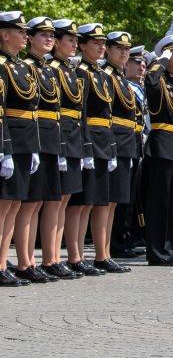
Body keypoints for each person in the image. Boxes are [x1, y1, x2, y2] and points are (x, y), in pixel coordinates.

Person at [15, 17, 65, 284]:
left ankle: (38, 260)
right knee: (28, 203)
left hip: (47, 138)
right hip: (32, 137)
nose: (48, 39)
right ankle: (25, 261)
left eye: (51, 35)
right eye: (42, 35)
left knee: (40, 202)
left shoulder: (45, 68)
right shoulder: (27, 66)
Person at [67, 23, 117, 277]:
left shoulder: (100, 74)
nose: (100, 47)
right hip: (87, 138)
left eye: (102, 43)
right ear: (84, 46)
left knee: (95, 201)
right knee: (80, 203)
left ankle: (97, 255)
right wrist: (86, 145)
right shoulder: (81, 72)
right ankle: (75, 256)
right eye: (94, 43)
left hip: (102, 139)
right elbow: (82, 112)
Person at [0, 11, 40, 286]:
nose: (26, 36)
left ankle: (3, 262)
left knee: (14, 204)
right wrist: (4, 149)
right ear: (4, 34)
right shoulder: (1, 65)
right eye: (20, 32)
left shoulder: (23, 67)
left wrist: (33, 147)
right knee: (3, 206)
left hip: (25, 141)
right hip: (9, 139)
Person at [143, 34, 173, 266]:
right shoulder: (158, 77)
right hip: (161, 143)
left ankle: (169, 248)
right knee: (159, 202)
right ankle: (156, 251)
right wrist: (158, 61)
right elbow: (149, 84)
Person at [97, 30, 139, 274]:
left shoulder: (122, 77)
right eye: (119, 49)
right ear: (109, 51)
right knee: (106, 200)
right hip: (112, 141)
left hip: (125, 143)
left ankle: (106, 251)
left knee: (113, 202)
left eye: (126, 49)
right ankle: (102, 253)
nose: (124, 53)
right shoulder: (107, 76)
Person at [48, 19, 86, 281]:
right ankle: (50, 258)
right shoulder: (52, 69)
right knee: (54, 201)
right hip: (58, 137)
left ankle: (58, 258)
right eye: (69, 40)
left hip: (72, 137)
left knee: (64, 201)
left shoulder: (69, 70)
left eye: (75, 40)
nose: (74, 44)